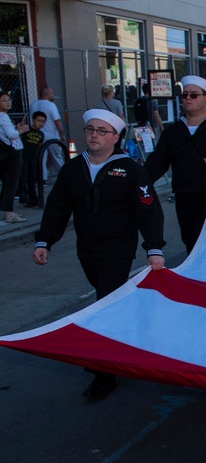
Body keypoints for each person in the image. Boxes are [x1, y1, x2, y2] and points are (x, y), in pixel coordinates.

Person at [33, 108, 165, 399]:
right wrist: (44, 241)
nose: (94, 135)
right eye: (90, 130)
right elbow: (57, 207)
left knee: (104, 304)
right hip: (87, 250)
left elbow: (148, 210)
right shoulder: (73, 168)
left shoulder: (130, 169)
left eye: (101, 131)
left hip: (118, 250)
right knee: (109, 302)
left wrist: (154, 248)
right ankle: (128, 338)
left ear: (115, 137)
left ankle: (104, 373)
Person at [144, 76, 206, 254]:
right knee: (191, 245)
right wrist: (136, 182)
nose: (188, 99)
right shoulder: (172, 132)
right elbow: (156, 164)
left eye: (193, 95)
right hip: (184, 198)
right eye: (185, 95)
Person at [0, 92, 29, 223]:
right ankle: (9, 214)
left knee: (8, 182)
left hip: (6, 153)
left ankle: (8, 211)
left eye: (9, 99)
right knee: (11, 183)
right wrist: (21, 131)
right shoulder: (3, 116)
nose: (8, 102)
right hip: (13, 153)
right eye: (4, 100)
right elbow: (11, 135)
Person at [28, 87, 66, 183]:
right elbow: (57, 120)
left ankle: (42, 179)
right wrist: (62, 133)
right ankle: (64, 174)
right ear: (46, 94)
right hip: (51, 135)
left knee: (41, 157)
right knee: (57, 157)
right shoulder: (51, 105)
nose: (53, 95)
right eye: (52, 93)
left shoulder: (33, 104)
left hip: (38, 134)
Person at [18, 111, 47, 209]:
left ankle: (33, 199)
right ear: (33, 120)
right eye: (38, 120)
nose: (41, 123)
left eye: (43, 122)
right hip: (24, 157)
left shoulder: (41, 134)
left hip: (33, 158)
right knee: (23, 178)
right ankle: (24, 199)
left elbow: (39, 146)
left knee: (33, 179)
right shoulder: (26, 130)